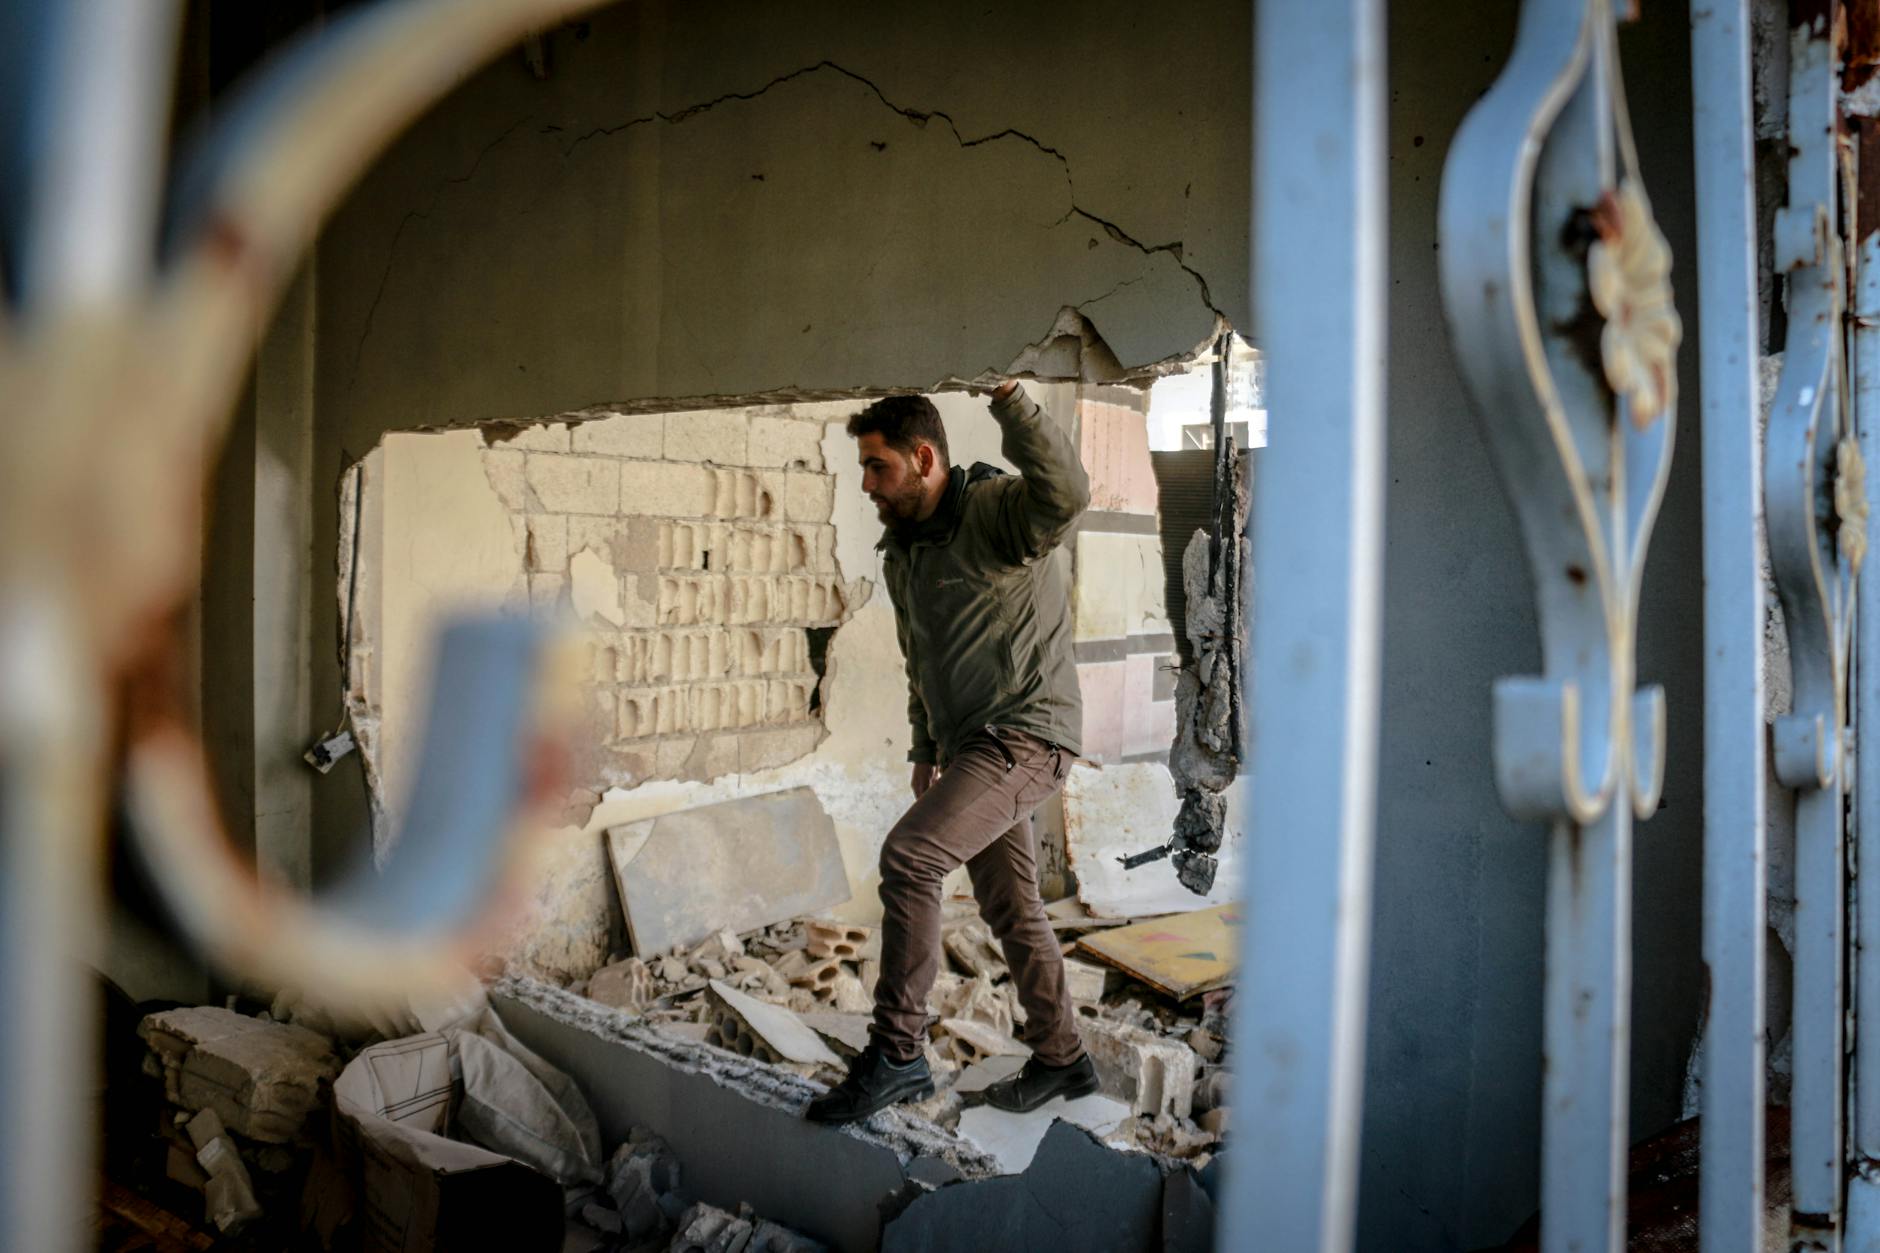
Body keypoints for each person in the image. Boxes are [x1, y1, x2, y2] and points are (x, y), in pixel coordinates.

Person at [807, 381, 1095, 1125]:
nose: (866, 484)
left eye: (878, 467)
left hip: (1029, 731)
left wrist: (1011, 402)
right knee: (1010, 903)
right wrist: (925, 744)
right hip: (971, 743)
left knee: (910, 857)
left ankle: (898, 1052)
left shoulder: (996, 512)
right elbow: (921, 657)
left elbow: (1066, 494)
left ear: (925, 457)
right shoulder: (905, 550)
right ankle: (1064, 1056)